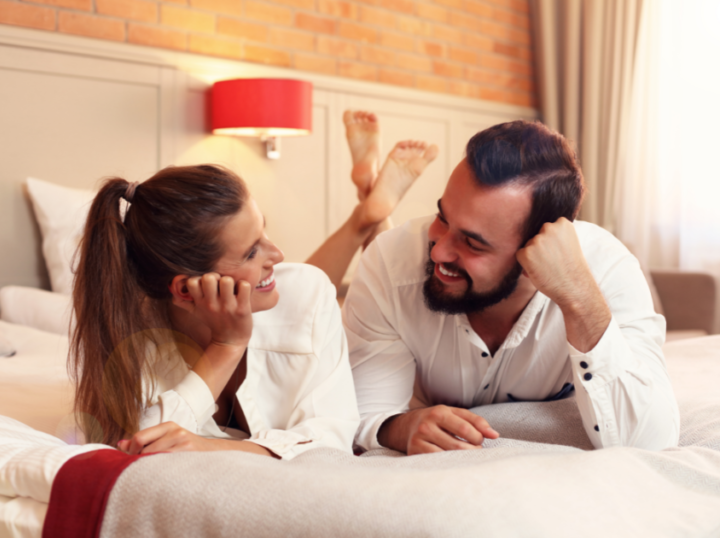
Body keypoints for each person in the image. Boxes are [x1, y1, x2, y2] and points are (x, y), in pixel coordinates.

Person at [70, 111, 438, 459]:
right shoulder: (132, 337)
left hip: (359, 364)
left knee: (304, 286)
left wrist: (212, 447)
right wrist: (226, 346)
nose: (277, 252)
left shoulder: (308, 293)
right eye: (250, 252)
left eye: (265, 230)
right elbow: (133, 447)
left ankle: (369, 216)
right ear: (185, 290)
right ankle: (368, 213)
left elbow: (333, 437)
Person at [342, 120, 680, 455]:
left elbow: (650, 441)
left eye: (473, 243)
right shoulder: (390, 262)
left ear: (536, 252)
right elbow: (362, 414)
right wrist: (399, 427)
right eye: (443, 218)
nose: (439, 250)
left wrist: (578, 299)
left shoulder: (607, 270)